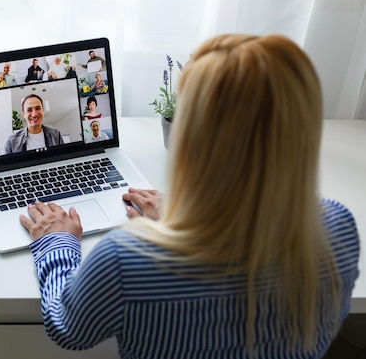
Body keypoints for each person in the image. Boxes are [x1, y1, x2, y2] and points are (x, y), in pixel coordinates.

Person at [18, 34, 360, 358]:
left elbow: (68, 329)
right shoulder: (338, 229)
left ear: (192, 139)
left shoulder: (126, 260)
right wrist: (187, 219)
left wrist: (58, 242)